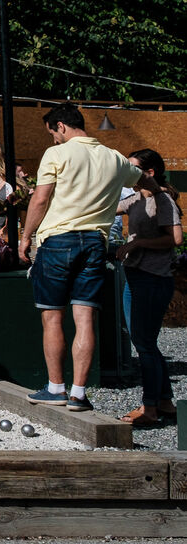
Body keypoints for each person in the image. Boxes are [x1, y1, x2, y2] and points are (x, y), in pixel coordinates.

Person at [19, 103, 159, 412]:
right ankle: (79, 394)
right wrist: (160, 194)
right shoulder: (114, 158)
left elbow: (40, 199)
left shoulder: (57, 154)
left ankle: (56, 388)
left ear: (61, 126)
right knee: (85, 318)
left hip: (58, 240)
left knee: (52, 316)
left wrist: (26, 236)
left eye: (53, 133)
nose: (53, 139)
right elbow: (144, 181)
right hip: (95, 242)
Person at [113, 148, 182, 426]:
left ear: (149, 172)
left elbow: (175, 238)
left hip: (153, 279)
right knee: (146, 344)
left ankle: (150, 408)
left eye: (132, 169)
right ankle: (164, 402)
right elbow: (109, 207)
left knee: (144, 345)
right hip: (135, 277)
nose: (127, 174)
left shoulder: (162, 199)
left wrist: (138, 242)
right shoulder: (137, 198)